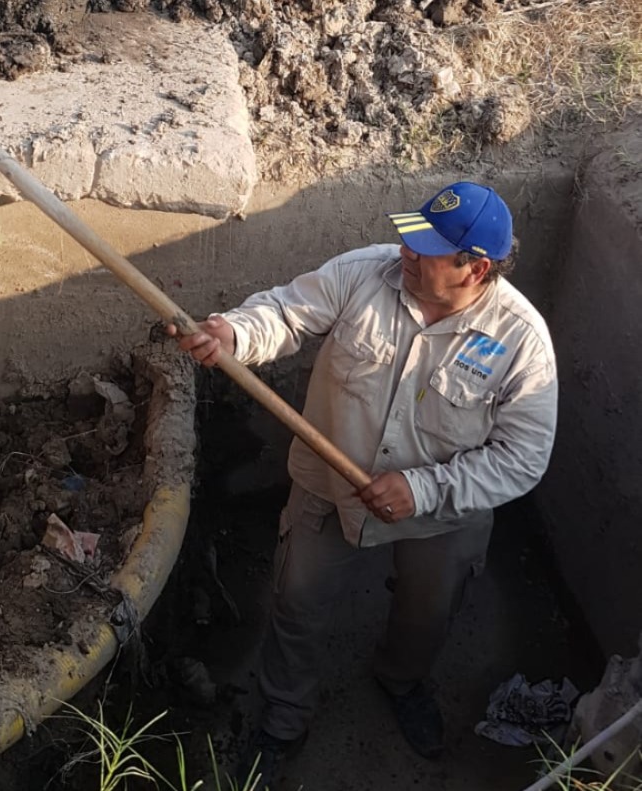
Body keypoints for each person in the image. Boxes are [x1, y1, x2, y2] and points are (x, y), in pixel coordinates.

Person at [168, 181, 558, 784]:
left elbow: (522, 457)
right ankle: (284, 716)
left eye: (426, 247)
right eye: (411, 234)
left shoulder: (521, 343)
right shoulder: (363, 274)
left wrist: (421, 490)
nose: (406, 250)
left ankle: (401, 681)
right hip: (330, 485)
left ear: (475, 268)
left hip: (442, 511)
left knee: (427, 614)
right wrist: (235, 335)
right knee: (297, 603)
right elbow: (285, 313)